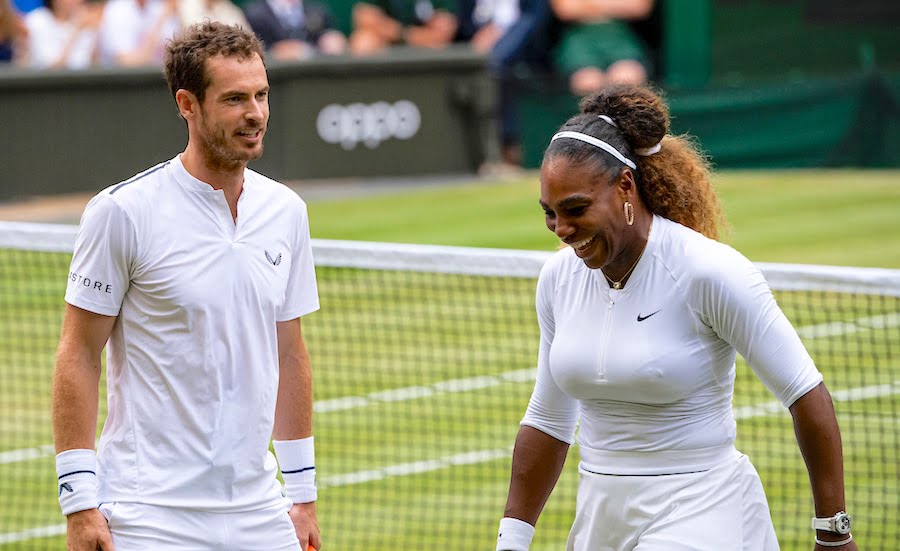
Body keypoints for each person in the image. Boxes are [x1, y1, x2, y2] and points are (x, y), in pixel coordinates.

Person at [496, 84, 858, 551]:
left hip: (703, 509)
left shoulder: (709, 271)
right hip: (600, 519)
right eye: (549, 214)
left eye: (576, 210)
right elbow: (548, 419)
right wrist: (511, 541)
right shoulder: (558, 280)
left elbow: (806, 394)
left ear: (625, 186)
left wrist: (833, 532)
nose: (562, 231)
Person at [52, 21, 322, 551]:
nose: (256, 113)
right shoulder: (121, 213)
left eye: (263, 95)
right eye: (235, 99)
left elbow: (289, 354)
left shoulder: (287, 212)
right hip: (147, 515)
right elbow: (77, 354)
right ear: (187, 104)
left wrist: (303, 494)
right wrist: (80, 504)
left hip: (259, 511)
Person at [550, 0, 653, 96]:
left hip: (620, 39)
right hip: (580, 43)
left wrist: (587, 6)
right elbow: (566, 10)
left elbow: (640, 7)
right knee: (588, 82)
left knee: (626, 77)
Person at [242, 0, 346, 60]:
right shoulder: (254, 14)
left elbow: (328, 35)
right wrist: (274, 52)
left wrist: (332, 38)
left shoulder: (318, 10)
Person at [350, 0, 458, 55]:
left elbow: (443, 33)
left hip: (423, 46)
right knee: (364, 40)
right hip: (388, 42)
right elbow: (363, 16)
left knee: (439, 47)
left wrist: (404, 34)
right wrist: (399, 33)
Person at [95, 0, 179, 66]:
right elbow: (126, 61)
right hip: (120, 81)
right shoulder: (117, 10)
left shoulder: (158, 7)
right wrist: (161, 19)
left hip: (155, 78)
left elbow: (174, 53)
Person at [23, 0, 102, 69]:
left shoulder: (84, 18)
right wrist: (77, 31)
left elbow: (92, 64)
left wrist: (97, 31)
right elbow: (51, 69)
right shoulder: (38, 20)